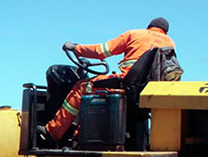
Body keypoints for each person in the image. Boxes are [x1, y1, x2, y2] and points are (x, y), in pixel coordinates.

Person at [43, 17, 176, 142]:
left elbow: (101, 51)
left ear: (149, 27)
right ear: (165, 31)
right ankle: (79, 135)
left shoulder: (135, 34)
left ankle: (53, 132)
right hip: (146, 91)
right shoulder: (170, 43)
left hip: (126, 85)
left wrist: (76, 48)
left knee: (82, 87)